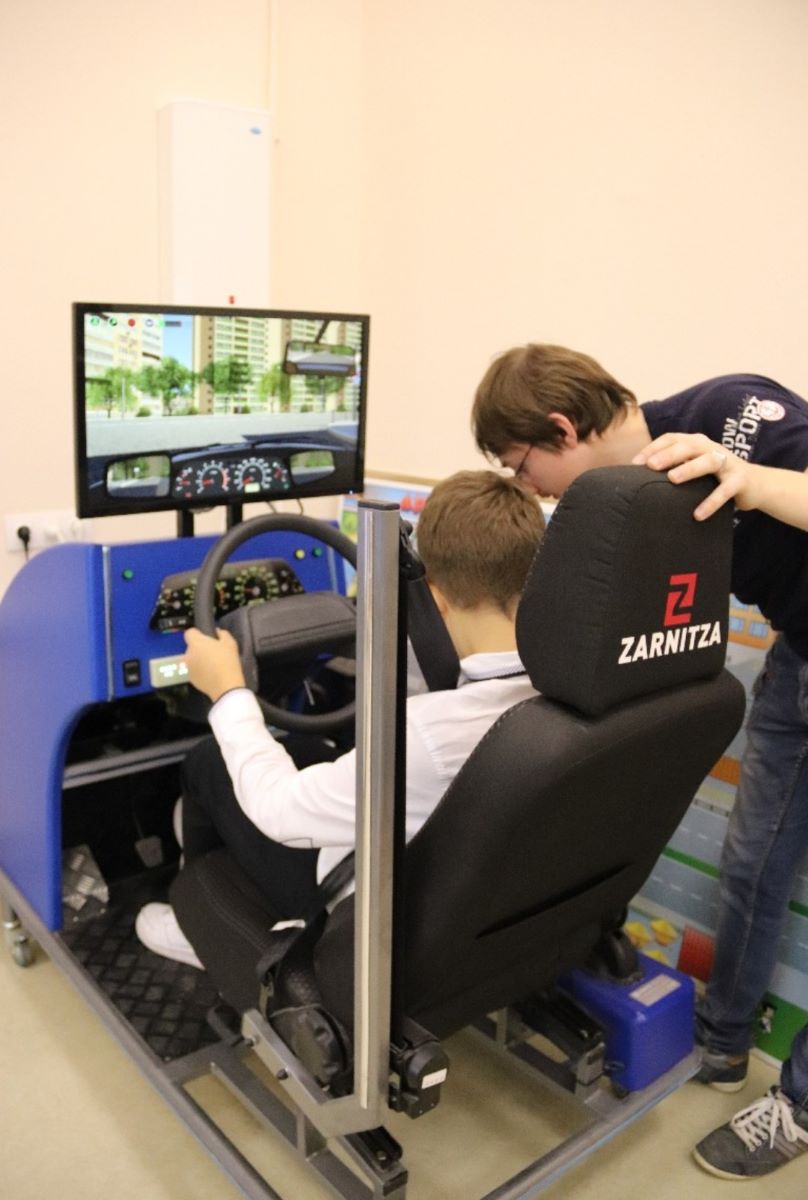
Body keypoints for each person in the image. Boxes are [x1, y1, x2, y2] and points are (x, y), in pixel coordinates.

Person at [472, 343, 808, 1181]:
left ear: (560, 428)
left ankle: (801, 1105)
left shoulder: (728, 415)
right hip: (799, 656)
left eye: (522, 466)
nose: (532, 488)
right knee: (752, 864)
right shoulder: (628, 501)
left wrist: (751, 478)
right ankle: (722, 1043)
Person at [136, 469, 544, 968]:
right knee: (305, 751)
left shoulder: (429, 734)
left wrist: (227, 690)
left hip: (361, 903)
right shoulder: (561, 683)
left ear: (434, 599)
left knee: (206, 763)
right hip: (472, 897)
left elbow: (278, 811)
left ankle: (200, 925)